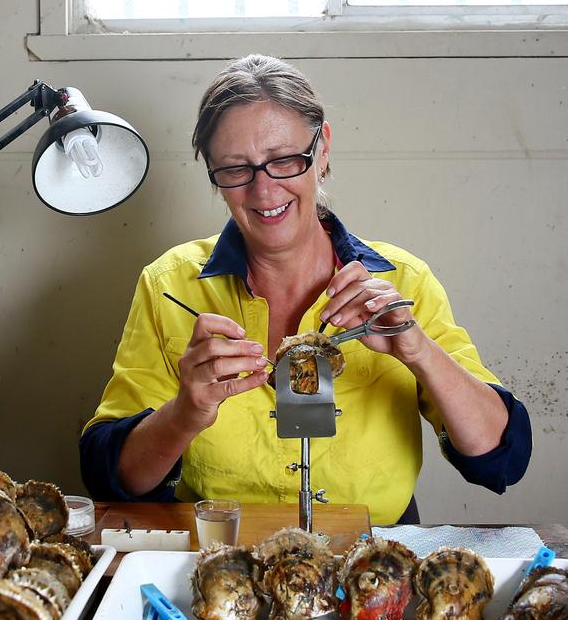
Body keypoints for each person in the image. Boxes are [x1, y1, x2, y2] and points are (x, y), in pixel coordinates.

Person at [80, 54, 531, 525]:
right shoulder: (169, 284)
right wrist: (185, 413)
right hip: (221, 559)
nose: (263, 190)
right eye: (236, 169)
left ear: (323, 150)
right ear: (213, 174)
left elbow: (501, 459)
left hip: (370, 562)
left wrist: (417, 350)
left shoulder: (404, 280)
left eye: (284, 160)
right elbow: (111, 478)